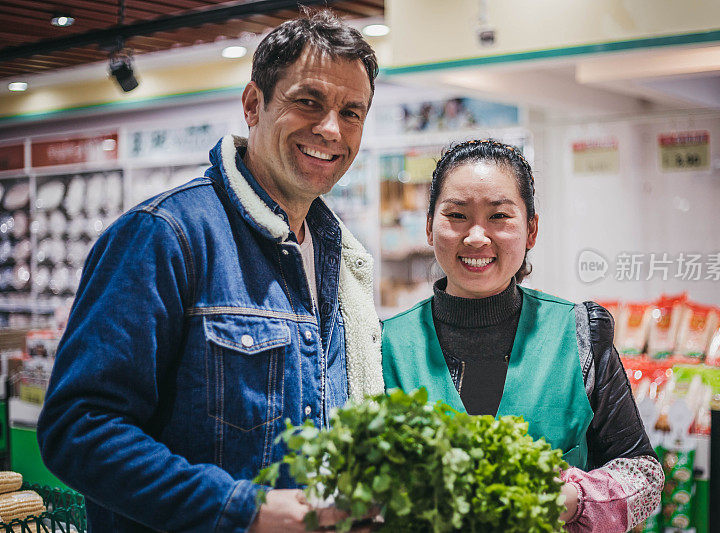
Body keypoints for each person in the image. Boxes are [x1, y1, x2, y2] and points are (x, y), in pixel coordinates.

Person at [37, 10, 384, 533]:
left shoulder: (339, 255)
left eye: (351, 112)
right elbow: (79, 430)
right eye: (308, 102)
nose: (331, 129)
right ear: (253, 105)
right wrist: (246, 510)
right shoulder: (165, 236)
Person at [382, 139, 664, 532]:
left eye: (499, 216)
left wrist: (570, 498)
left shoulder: (580, 332)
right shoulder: (383, 346)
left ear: (531, 229)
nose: (477, 237)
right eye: (457, 215)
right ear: (430, 227)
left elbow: (645, 476)